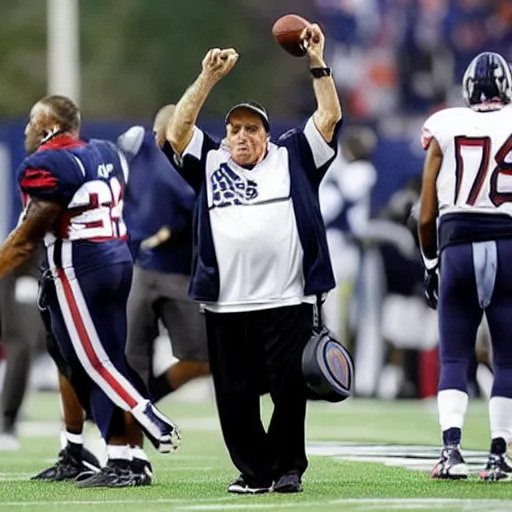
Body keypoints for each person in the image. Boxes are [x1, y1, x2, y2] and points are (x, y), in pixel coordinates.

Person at [166, 22, 342, 494]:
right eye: (235, 129)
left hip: (286, 298)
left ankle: (287, 469)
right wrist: (207, 79)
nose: (242, 136)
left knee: (289, 390)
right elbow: (177, 130)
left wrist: (316, 60)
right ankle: (254, 470)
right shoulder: (212, 161)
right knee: (234, 397)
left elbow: (327, 116)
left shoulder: (293, 156)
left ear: (268, 134)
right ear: (225, 137)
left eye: (252, 128)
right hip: (227, 302)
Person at [0, 95, 180, 487]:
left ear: (49, 127)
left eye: (33, 121)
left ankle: (148, 421)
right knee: (94, 359)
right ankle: (114, 454)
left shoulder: (46, 164)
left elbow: (28, 237)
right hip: (116, 259)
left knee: (93, 363)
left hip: (79, 266)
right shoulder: (104, 152)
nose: (28, 128)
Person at [418, 51, 512, 482]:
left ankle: (452, 451)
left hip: (457, 243)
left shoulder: (445, 124)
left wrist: (430, 262)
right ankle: (499, 456)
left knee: (454, 356)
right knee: (507, 360)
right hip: (509, 243)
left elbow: (424, 214)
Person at [117, 105, 210, 450]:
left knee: (201, 360)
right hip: (142, 270)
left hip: (184, 274)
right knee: (131, 360)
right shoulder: (142, 159)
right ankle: (129, 451)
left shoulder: (202, 163)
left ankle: (146, 406)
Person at [0, 248, 46, 451]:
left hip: (43, 268)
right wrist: (25, 272)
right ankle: (6, 423)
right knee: (20, 344)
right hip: (16, 265)